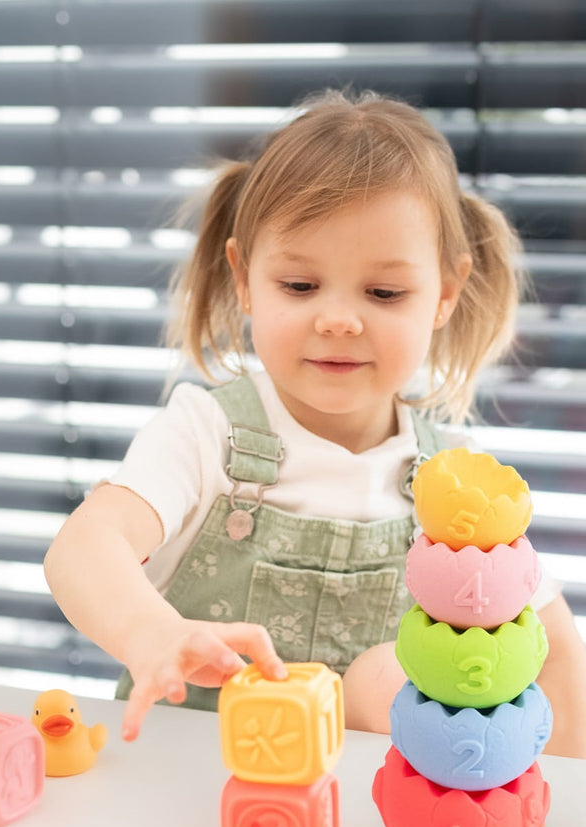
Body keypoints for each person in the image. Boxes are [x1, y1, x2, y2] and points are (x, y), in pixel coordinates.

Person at [43, 90, 586, 757]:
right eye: (299, 286)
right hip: (186, 799)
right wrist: (149, 631)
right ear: (245, 280)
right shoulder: (207, 435)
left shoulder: (458, 483)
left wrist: (559, 786)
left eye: (384, 293)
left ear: (444, 294)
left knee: (386, 676)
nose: (338, 319)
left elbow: (552, 640)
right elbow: (83, 547)